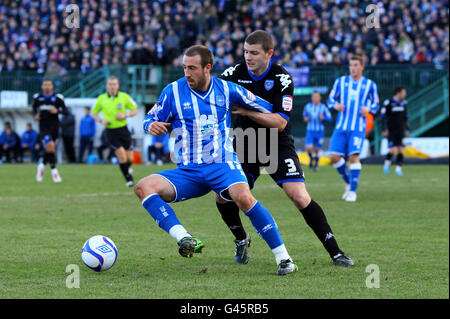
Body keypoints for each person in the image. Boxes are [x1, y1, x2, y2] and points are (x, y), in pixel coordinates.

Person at [134, 45, 298, 275]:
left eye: (192, 68)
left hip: (222, 163)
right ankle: (185, 238)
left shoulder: (227, 89)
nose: (187, 73)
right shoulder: (172, 92)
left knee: (243, 197)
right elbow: (152, 116)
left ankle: (284, 259)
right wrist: (150, 124)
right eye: (184, 68)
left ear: (207, 68)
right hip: (189, 171)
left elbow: (268, 107)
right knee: (143, 187)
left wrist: (255, 113)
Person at [218, 30, 353, 267]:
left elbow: (280, 123)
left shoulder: (282, 78)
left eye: (254, 53)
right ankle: (241, 238)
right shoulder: (232, 74)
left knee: (299, 197)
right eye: (246, 52)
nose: (248, 57)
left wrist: (249, 112)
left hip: (276, 143)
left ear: (269, 53)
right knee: (224, 198)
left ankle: (335, 252)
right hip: (245, 142)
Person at [327, 54, 380, 202]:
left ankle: (353, 192)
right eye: (351, 65)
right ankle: (349, 182)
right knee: (334, 156)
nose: (353, 68)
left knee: (353, 156)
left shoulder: (370, 85)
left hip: (358, 127)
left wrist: (368, 108)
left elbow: (376, 104)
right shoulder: (340, 82)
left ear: (362, 67)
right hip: (341, 126)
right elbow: (330, 99)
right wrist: (335, 105)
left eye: (356, 65)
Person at [92, 76, 138, 187]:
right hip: (111, 132)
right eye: (110, 84)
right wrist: (101, 120)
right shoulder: (101, 99)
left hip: (124, 130)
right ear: (107, 86)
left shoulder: (124, 97)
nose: (112, 86)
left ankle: (127, 169)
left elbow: (135, 110)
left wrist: (125, 115)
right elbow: (94, 113)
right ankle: (129, 179)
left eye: (114, 84)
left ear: (118, 86)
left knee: (130, 158)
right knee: (122, 156)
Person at [32, 79, 66, 182]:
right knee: (50, 146)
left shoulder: (58, 98)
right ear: (42, 86)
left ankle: (41, 164)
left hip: (55, 127)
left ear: (52, 87)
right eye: (45, 85)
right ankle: (54, 172)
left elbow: (66, 111)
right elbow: (33, 109)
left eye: (49, 85)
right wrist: (35, 115)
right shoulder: (38, 98)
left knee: (50, 149)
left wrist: (58, 110)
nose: (47, 86)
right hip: (43, 128)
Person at [381, 86, 410, 176]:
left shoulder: (404, 103)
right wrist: (384, 128)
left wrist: (408, 129)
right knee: (392, 150)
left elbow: (405, 118)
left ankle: (398, 169)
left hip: (400, 130)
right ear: (398, 93)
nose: (405, 95)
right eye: (403, 93)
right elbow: (383, 117)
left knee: (401, 150)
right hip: (391, 130)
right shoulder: (388, 103)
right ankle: (386, 165)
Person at [302, 91, 333, 171]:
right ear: (311, 98)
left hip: (320, 132)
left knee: (317, 149)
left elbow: (330, 118)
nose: (315, 98)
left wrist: (324, 118)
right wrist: (306, 118)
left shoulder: (323, 107)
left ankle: (315, 165)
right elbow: (304, 115)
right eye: (314, 96)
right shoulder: (308, 106)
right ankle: (312, 158)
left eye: (317, 96)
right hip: (310, 130)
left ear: (320, 98)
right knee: (309, 147)